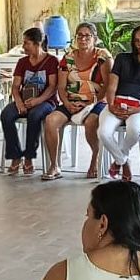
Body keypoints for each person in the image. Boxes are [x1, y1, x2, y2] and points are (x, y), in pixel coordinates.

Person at [42, 21, 112, 181]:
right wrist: (67, 104)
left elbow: (108, 85)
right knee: (50, 121)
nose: (83, 39)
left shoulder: (103, 57)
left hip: (97, 101)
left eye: (87, 36)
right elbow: (61, 87)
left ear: (95, 38)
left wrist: (90, 104)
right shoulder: (68, 58)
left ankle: (95, 157)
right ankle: (54, 165)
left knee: (91, 122)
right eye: (79, 35)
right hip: (72, 101)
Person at [98, 26, 140, 182]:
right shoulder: (122, 59)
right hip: (117, 102)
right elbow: (111, 87)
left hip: (139, 106)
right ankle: (124, 161)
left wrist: (136, 110)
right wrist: (112, 105)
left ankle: (118, 161)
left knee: (134, 130)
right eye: (136, 41)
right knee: (103, 132)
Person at [1, 27, 59, 175]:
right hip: (24, 100)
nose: (23, 46)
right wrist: (19, 103)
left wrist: (38, 101)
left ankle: (29, 157)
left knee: (35, 116)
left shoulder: (52, 61)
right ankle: (15, 156)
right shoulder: (22, 62)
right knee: (6, 115)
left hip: (46, 101)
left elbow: (52, 87)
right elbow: (15, 87)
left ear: (37, 43)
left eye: (26, 43)